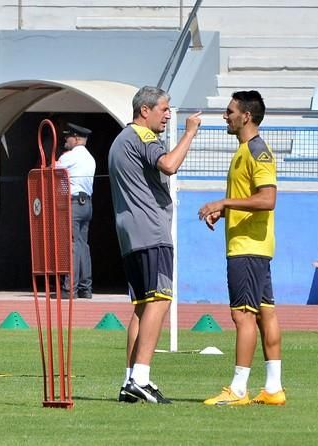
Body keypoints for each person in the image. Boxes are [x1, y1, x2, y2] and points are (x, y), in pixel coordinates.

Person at [108, 86, 202, 404]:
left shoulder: (120, 140)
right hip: (151, 231)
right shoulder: (143, 137)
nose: (168, 114)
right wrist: (189, 134)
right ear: (144, 110)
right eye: (164, 108)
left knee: (143, 307)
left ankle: (129, 379)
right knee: (160, 300)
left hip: (130, 233)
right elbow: (169, 165)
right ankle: (141, 378)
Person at [198, 90, 285, 406]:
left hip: (247, 248)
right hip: (254, 246)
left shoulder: (257, 151)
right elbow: (251, 198)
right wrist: (226, 210)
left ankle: (238, 390)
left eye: (230, 111)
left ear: (246, 116)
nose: (226, 116)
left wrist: (222, 201)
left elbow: (267, 199)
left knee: (242, 315)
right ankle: (273, 388)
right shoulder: (245, 151)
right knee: (265, 314)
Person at [56, 122, 96, 299]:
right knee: (83, 246)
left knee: (72, 246)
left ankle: (69, 289)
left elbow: (52, 171)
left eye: (68, 136)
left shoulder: (70, 157)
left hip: (73, 203)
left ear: (77, 138)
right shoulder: (90, 158)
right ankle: (85, 288)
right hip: (86, 203)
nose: (66, 139)